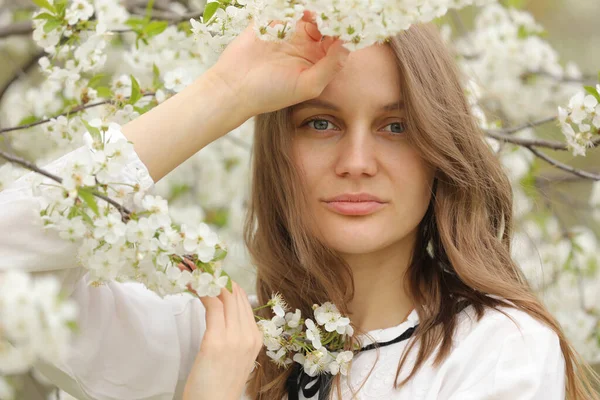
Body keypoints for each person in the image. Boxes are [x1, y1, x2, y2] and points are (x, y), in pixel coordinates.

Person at [0, 10, 598, 400]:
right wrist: (223, 94)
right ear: (280, 150)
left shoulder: (496, 349)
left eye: (396, 127)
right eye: (320, 123)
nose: (357, 160)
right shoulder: (213, 345)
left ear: (440, 149)